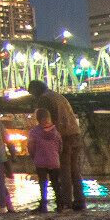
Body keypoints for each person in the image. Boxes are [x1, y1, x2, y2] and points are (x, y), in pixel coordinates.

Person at [29, 78, 86, 211]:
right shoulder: (58, 96)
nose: (33, 97)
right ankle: (80, 201)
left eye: (32, 94)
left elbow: (46, 120)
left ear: (36, 90)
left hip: (63, 135)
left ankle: (66, 202)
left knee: (64, 170)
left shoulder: (44, 99)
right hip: (75, 134)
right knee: (74, 170)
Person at [26, 104, 61, 212]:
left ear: (38, 119)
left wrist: (33, 156)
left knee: (43, 183)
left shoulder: (34, 132)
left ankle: (43, 205)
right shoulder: (56, 132)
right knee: (55, 183)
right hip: (54, 161)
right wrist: (56, 155)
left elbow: (31, 147)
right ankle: (59, 204)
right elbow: (60, 146)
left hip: (40, 161)